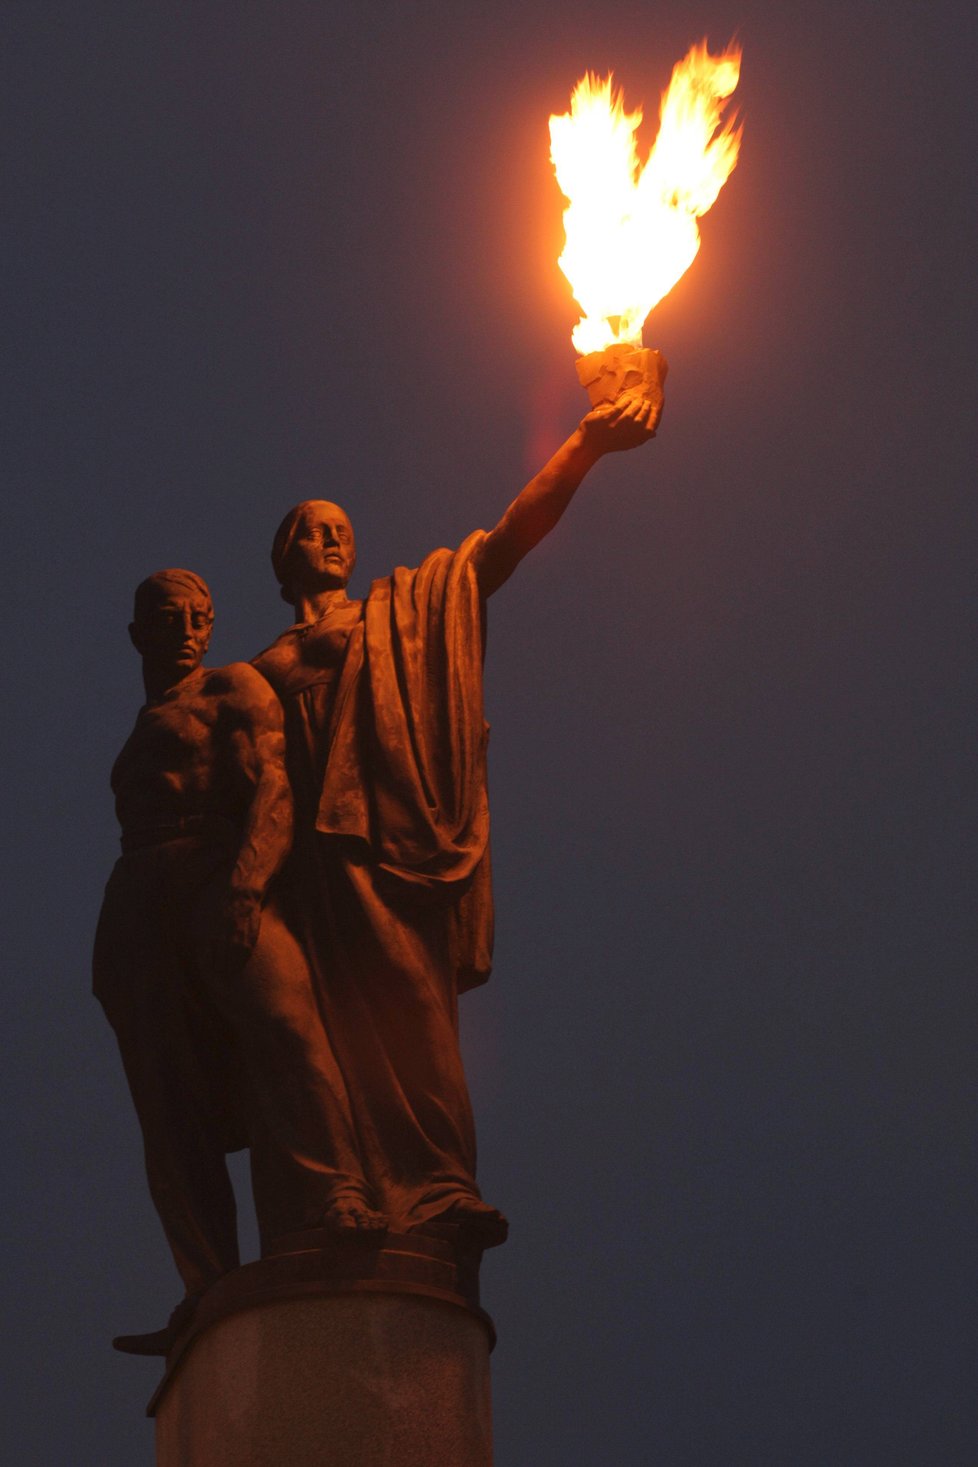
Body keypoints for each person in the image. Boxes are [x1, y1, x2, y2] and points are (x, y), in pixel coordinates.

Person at [252, 393, 661, 1246]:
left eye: (342, 531)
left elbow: (501, 547)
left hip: (375, 831)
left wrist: (584, 445)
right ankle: (338, 1193)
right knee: (310, 1033)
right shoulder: (253, 671)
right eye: (314, 531)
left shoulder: (397, 613)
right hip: (295, 862)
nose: (334, 541)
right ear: (285, 556)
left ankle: (436, 1184)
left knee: (409, 1005)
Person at [94, 570, 383, 1354]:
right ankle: (206, 1281)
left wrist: (248, 884)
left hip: (215, 867)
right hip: (138, 901)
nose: (185, 626)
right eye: (167, 615)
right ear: (138, 632)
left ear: (212, 622)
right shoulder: (140, 724)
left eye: (197, 614)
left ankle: (340, 1194)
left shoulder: (232, 688)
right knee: (166, 1094)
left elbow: (274, 786)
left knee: (288, 1024)